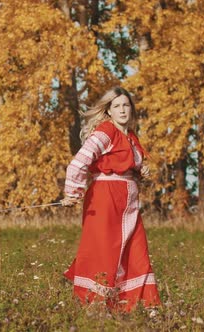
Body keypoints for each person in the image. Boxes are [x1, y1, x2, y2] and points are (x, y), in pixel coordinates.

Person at [61, 86, 160, 312]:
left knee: (137, 251)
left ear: (132, 109)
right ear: (109, 111)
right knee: (103, 251)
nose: (122, 110)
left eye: (126, 105)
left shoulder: (131, 137)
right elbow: (78, 163)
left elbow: (123, 165)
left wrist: (139, 171)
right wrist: (73, 193)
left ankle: (137, 306)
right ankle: (95, 307)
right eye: (117, 106)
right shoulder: (105, 132)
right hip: (105, 202)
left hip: (128, 204)